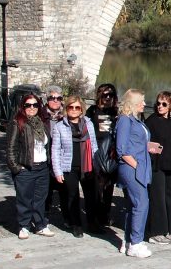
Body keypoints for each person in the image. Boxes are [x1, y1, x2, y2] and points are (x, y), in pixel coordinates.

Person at [5, 92, 55, 240]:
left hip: (42, 167)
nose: (32, 108)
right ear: (23, 107)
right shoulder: (17, 123)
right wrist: (16, 167)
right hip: (26, 167)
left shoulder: (42, 123)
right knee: (24, 199)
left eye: (35, 105)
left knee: (40, 198)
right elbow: (10, 148)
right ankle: (24, 226)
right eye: (28, 105)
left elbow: (47, 145)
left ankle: (40, 225)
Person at [50, 95, 99, 237]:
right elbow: (55, 150)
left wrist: (97, 165)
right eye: (71, 107)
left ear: (81, 109)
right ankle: (76, 224)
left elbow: (94, 145)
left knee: (91, 196)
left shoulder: (88, 124)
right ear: (66, 109)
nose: (74, 110)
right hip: (69, 167)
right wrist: (57, 171)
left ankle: (92, 223)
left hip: (87, 165)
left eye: (77, 107)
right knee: (73, 196)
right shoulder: (60, 126)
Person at [115, 89, 152, 258]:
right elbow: (121, 149)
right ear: (133, 103)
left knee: (132, 205)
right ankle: (136, 243)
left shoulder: (135, 120)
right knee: (141, 203)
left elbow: (137, 142)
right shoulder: (124, 120)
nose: (144, 104)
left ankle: (129, 240)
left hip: (139, 166)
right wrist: (136, 165)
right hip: (132, 168)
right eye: (141, 101)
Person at [144, 91, 171, 245]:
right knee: (157, 198)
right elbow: (145, 140)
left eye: (164, 104)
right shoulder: (151, 120)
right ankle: (155, 231)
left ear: (170, 105)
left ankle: (169, 230)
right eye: (158, 103)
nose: (160, 106)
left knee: (170, 198)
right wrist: (152, 148)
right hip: (156, 165)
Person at [86, 83, 119, 227]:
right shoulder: (92, 111)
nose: (108, 98)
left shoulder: (115, 112)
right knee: (97, 187)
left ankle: (105, 216)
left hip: (111, 154)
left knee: (109, 187)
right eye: (105, 95)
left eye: (111, 95)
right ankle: (95, 218)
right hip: (97, 153)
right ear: (99, 96)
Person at [42, 86, 67, 226]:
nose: (56, 101)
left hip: (62, 159)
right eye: (52, 98)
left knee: (64, 190)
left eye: (59, 98)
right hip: (46, 158)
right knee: (46, 190)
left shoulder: (66, 116)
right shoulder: (41, 115)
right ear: (47, 100)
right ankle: (43, 218)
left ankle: (67, 219)